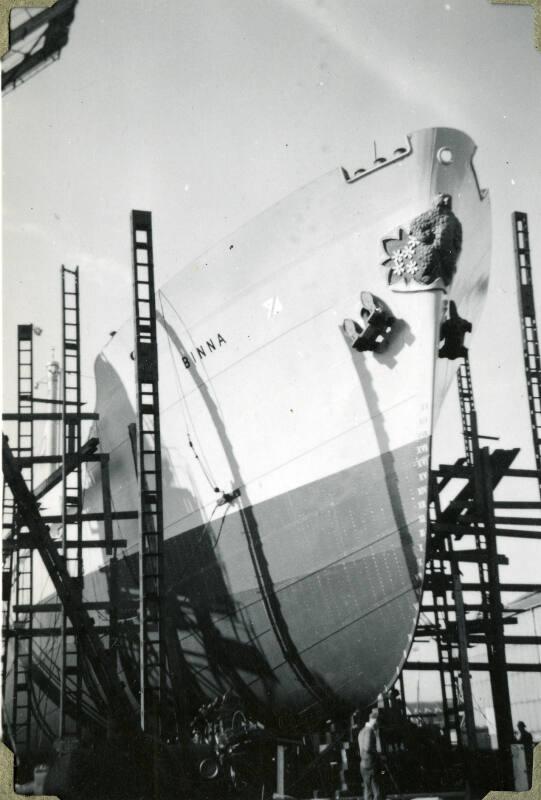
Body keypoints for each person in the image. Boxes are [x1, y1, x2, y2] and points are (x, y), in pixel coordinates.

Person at [358, 708, 382, 800]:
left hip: (363, 765)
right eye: (378, 722)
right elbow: (367, 747)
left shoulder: (361, 731)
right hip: (371, 764)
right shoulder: (370, 731)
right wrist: (378, 754)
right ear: (375, 721)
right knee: (377, 791)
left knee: (367, 790)